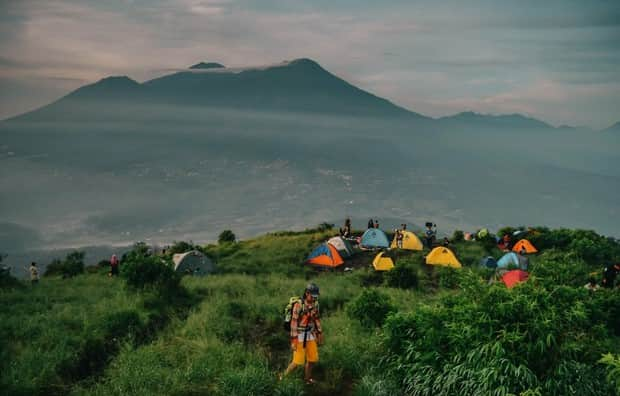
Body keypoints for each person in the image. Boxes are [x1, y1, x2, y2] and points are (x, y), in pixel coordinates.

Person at [282, 283, 323, 384]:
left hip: (310, 334)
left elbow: (316, 319)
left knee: (313, 359)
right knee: (297, 361)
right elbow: (294, 323)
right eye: (312, 296)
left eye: (316, 296)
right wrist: (294, 340)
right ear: (307, 293)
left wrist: (319, 333)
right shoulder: (298, 305)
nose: (314, 298)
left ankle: (307, 379)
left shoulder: (315, 304)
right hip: (299, 335)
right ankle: (282, 377)